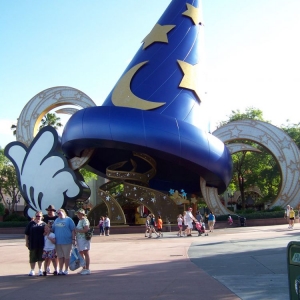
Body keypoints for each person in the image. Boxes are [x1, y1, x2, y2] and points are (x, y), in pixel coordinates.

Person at [52, 208, 76, 275]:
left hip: (67, 241)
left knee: (67, 256)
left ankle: (66, 269)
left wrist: (73, 239)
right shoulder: (56, 220)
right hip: (58, 242)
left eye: (60, 212)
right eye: (58, 213)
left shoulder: (68, 220)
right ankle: (60, 269)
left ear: (64, 212)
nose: (59, 214)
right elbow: (52, 229)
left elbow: (73, 230)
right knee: (60, 256)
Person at [25, 211, 46, 276]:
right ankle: (32, 270)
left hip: (41, 243)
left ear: (42, 217)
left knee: (40, 257)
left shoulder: (44, 224)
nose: (38, 217)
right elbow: (26, 233)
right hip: (32, 243)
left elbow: (47, 233)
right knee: (32, 257)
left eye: (39, 216)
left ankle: (40, 270)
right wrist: (26, 242)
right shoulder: (31, 223)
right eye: (37, 216)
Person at [75, 209, 91, 275]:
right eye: (78, 213)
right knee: (81, 253)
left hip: (84, 239)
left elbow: (86, 229)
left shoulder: (85, 220)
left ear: (83, 214)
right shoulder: (80, 221)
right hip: (79, 239)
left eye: (80, 213)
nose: (78, 215)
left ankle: (87, 269)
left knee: (85, 253)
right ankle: (83, 268)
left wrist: (78, 230)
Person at [43, 204, 58, 274]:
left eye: (51, 210)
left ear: (54, 211)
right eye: (48, 210)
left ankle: (56, 268)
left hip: (55, 236)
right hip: (47, 237)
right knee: (47, 255)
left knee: (55, 255)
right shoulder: (45, 218)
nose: (49, 212)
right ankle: (47, 267)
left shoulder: (57, 218)